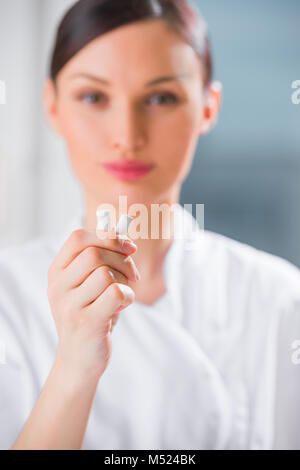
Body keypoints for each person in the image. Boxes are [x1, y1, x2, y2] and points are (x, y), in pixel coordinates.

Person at [0, 0, 299, 450]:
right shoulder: (7, 296)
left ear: (208, 108)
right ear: (52, 105)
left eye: (161, 98)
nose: (127, 134)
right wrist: (74, 366)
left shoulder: (281, 300)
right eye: (94, 97)